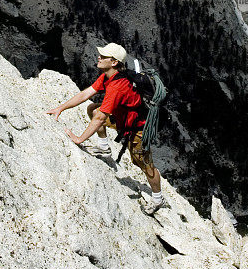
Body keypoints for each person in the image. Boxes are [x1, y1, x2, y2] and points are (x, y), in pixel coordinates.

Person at [46, 42, 165, 215]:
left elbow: (101, 117)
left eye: (103, 56)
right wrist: (60, 108)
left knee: (144, 164)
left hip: (138, 128)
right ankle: (103, 147)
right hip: (122, 119)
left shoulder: (118, 85)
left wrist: (79, 139)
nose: (99, 58)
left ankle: (157, 198)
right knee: (92, 108)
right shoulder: (108, 76)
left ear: (114, 62)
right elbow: (85, 94)